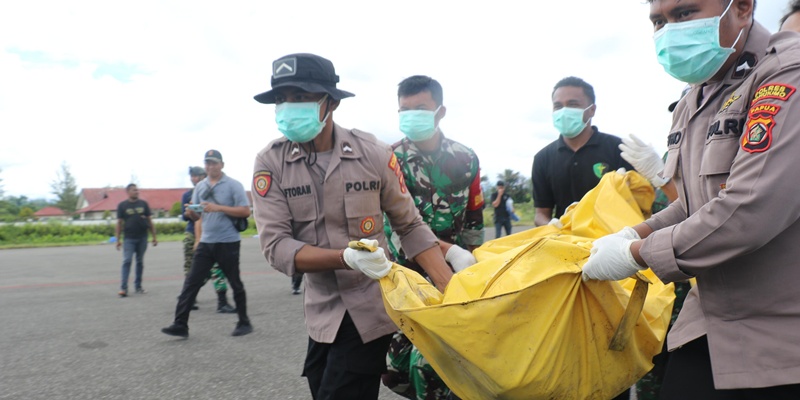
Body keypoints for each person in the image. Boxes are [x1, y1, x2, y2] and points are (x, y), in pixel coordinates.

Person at [583, 0, 800, 398]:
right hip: (710, 319)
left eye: (684, 13)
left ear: (743, 8)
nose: (669, 31)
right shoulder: (693, 99)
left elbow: (748, 209)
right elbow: (691, 205)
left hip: (778, 338)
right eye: (658, 21)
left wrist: (636, 254)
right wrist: (634, 232)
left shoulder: (786, 72)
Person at [251, 53, 454, 400]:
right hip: (321, 313)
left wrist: (450, 289)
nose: (288, 107)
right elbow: (276, 246)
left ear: (330, 102)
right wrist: (345, 258)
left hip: (370, 309)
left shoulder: (373, 153)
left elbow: (409, 225)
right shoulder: (271, 162)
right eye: (281, 99)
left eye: (300, 97)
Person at [380, 75, 482, 400]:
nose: (411, 116)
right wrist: (450, 251)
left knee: (432, 365)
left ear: (440, 112)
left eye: (420, 108)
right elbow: (397, 228)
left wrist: (478, 269)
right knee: (395, 371)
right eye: (404, 110)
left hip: (456, 276)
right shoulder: (387, 159)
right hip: (407, 275)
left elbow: (474, 218)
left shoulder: (465, 159)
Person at [162, 150, 253, 338]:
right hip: (206, 242)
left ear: (222, 165)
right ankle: (180, 324)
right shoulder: (200, 187)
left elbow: (245, 211)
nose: (211, 166)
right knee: (191, 283)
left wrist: (219, 207)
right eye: (207, 163)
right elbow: (197, 217)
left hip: (228, 241)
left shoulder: (234, 185)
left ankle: (244, 322)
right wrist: (191, 212)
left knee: (235, 282)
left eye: (214, 163)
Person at [531, 76, 635, 227]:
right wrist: (551, 226)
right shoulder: (542, 158)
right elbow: (541, 213)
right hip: (564, 237)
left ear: (592, 110)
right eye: (558, 106)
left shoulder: (620, 149)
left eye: (573, 104)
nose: (564, 111)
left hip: (613, 236)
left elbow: (637, 203)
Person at [180, 166, 236, 313]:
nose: (194, 178)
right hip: (193, 235)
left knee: (216, 268)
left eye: (196, 175)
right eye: (192, 176)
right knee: (192, 269)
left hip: (210, 236)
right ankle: (188, 298)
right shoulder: (188, 195)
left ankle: (221, 302)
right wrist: (190, 212)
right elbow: (189, 217)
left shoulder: (211, 191)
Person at [115, 183, 157, 297]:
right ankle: (123, 288)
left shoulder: (143, 204)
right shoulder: (122, 205)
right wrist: (118, 240)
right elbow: (119, 223)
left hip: (142, 237)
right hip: (129, 238)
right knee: (127, 260)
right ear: (128, 192)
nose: (136, 192)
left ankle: (138, 286)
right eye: (134, 190)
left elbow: (149, 221)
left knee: (140, 261)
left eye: (137, 190)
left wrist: (154, 237)